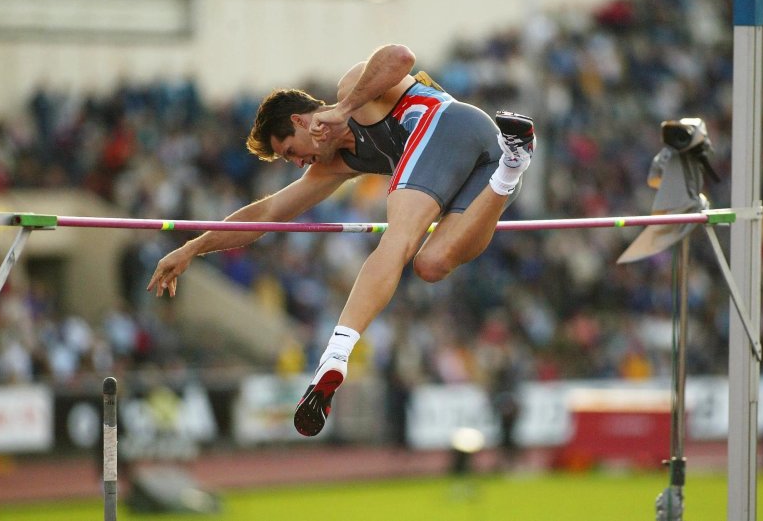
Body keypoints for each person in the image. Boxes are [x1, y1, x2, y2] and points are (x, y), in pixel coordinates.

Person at [146, 44, 536, 437]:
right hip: (489, 160)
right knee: (430, 265)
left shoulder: (355, 90)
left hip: (450, 124)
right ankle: (513, 163)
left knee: (397, 240)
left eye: (291, 151)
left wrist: (344, 107)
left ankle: (336, 353)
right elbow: (265, 215)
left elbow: (402, 56)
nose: (298, 163)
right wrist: (191, 248)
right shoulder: (333, 166)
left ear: (300, 121)